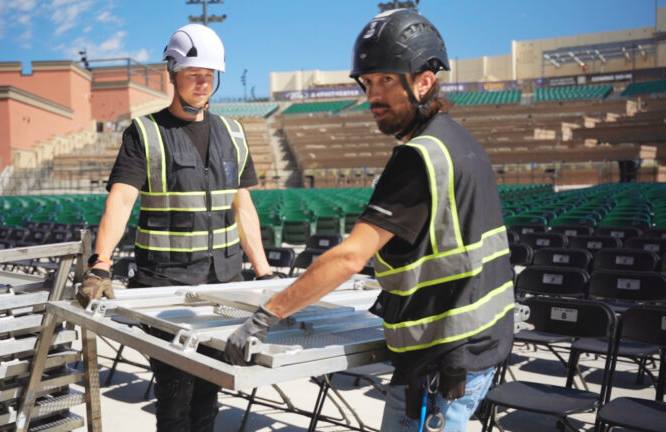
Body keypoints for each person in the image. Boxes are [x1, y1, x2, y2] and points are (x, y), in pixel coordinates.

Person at [225, 8, 515, 432]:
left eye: (386, 81)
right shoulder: (460, 140)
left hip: (442, 361)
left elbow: (349, 257)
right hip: (475, 345)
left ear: (424, 81)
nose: (372, 95)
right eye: (367, 82)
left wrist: (265, 316)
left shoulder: (419, 158)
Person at [78, 23, 277, 432]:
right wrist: (101, 263)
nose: (203, 82)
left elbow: (244, 207)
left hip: (223, 286)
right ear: (173, 72)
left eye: (210, 74)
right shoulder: (145, 133)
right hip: (165, 288)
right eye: (193, 73)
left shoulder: (234, 134)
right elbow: (121, 200)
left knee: (209, 395)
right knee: (174, 400)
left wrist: (264, 271)